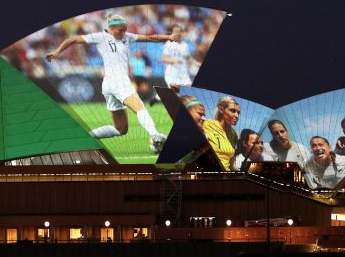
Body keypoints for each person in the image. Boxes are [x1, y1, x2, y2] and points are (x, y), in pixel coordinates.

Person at [45, 12, 172, 152]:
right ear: (111, 28)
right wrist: (57, 53)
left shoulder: (127, 37)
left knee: (120, 129)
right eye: (121, 30)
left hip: (109, 84)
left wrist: (169, 37)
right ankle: (155, 136)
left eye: (125, 29)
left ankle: (85, 138)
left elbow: (150, 38)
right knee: (140, 107)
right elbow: (72, 39)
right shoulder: (100, 37)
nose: (124, 33)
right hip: (118, 81)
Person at [202, 95, 242, 169]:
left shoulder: (234, 134)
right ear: (221, 109)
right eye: (232, 111)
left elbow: (231, 160)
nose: (237, 116)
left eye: (238, 113)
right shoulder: (207, 124)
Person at [161, 24, 191, 89]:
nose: (178, 33)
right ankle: (156, 98)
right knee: (175, 91)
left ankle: (157, 97)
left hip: (183, 73)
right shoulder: (169, 43)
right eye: (176, 31)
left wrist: (196, 64)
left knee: (189, 91)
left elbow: (188, 58)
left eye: (180, 31)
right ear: (172, 33)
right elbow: (164, 59)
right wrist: (175, 61)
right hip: (172, 73)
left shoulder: (185, 45)